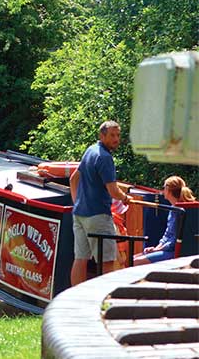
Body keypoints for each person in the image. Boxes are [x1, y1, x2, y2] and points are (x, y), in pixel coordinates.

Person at [69, 121, 132, 285]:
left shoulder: (90, 151)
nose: (116, 139)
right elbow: (113, 191)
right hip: (99, 216)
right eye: (112, 135)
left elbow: (73, 179)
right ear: (102, 135)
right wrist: (125, 198)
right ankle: (102, 302)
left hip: (79, 215)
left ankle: (75, 299)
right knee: (107, 261)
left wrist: (77, 203)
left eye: (118, 135)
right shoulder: (105, 158)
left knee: (80, 259)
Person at [133, 176, 196, 265]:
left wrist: (157, 249)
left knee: (134, 262)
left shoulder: (179, 210)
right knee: (133, 258)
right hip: (169, 249)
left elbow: (175, 240)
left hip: (176, 252)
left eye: (164, 187)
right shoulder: (174, 209)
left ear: (168, 190)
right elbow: (168, 235)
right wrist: (156, 248)